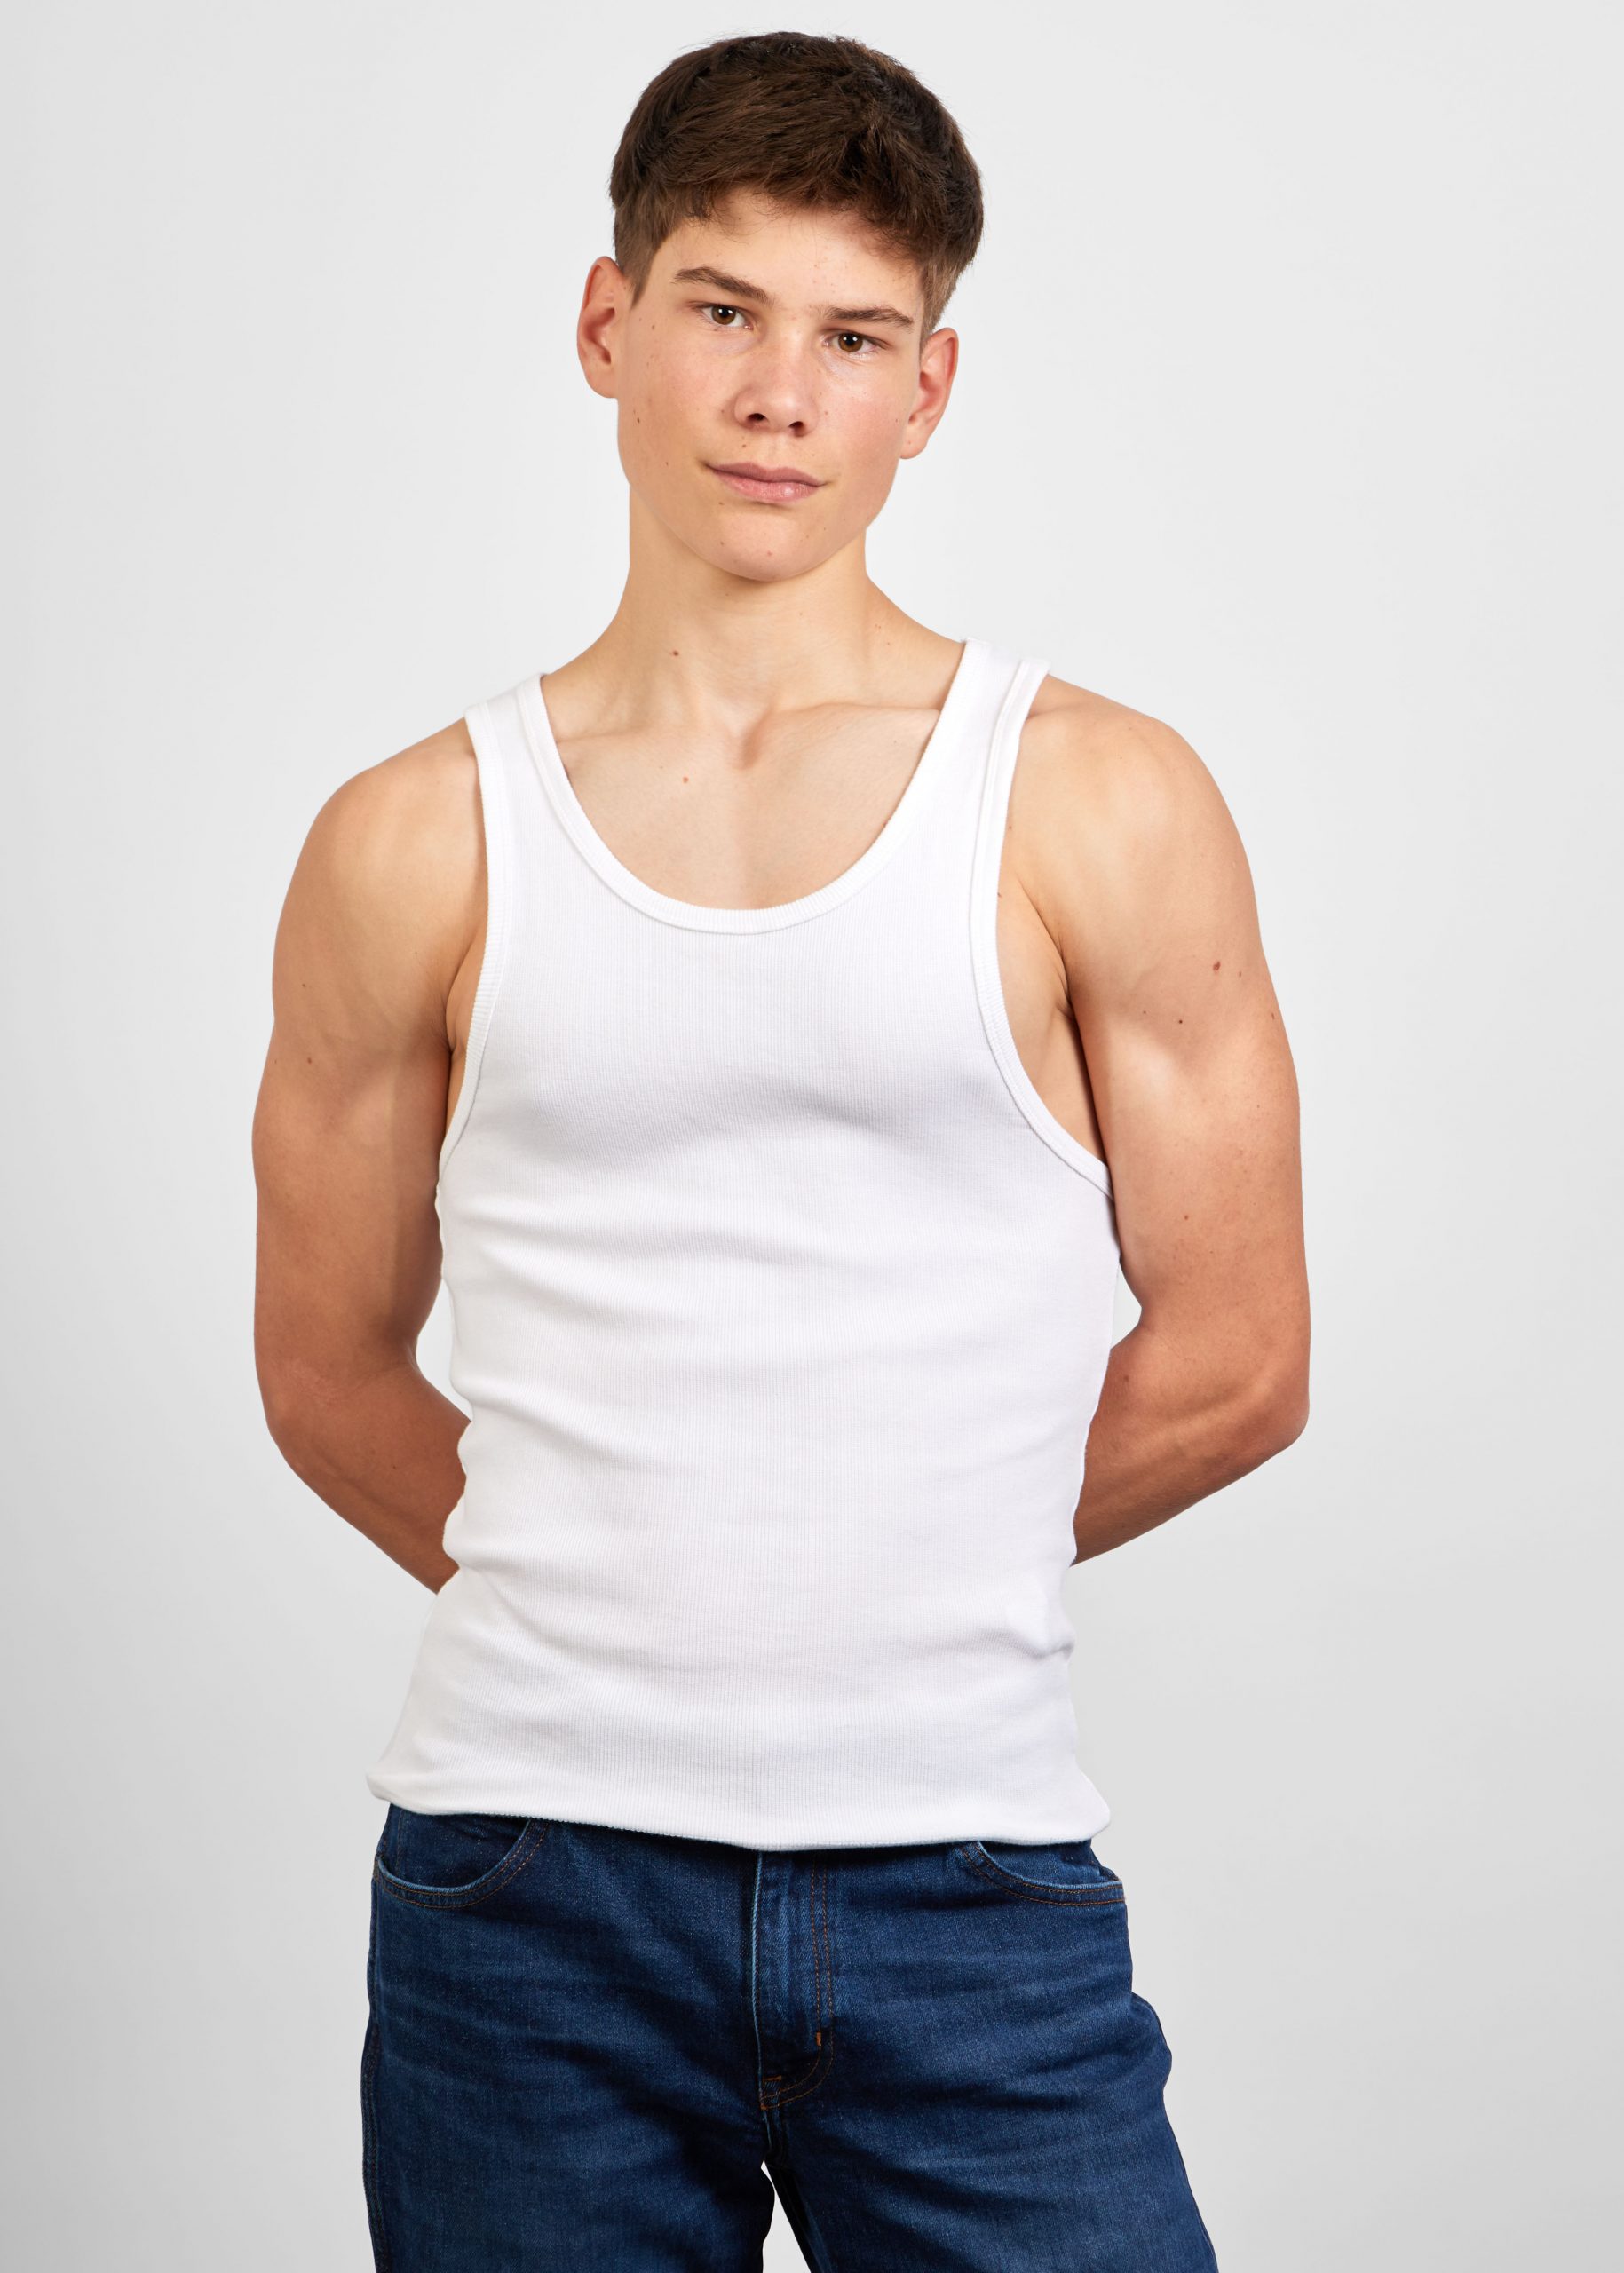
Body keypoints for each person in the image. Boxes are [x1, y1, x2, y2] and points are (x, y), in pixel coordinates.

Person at [252, 29, 1308, 2272]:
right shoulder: (412, 839)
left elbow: (1238, 1357)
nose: (778, 395)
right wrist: (627, 1600)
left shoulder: (1094, 797)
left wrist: (885, 1590)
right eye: (723, 309)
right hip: (522, 1897)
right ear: (606, 323)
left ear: (930, 389)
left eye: (853, 337)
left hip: (968, 1874)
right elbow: (325, 1364)